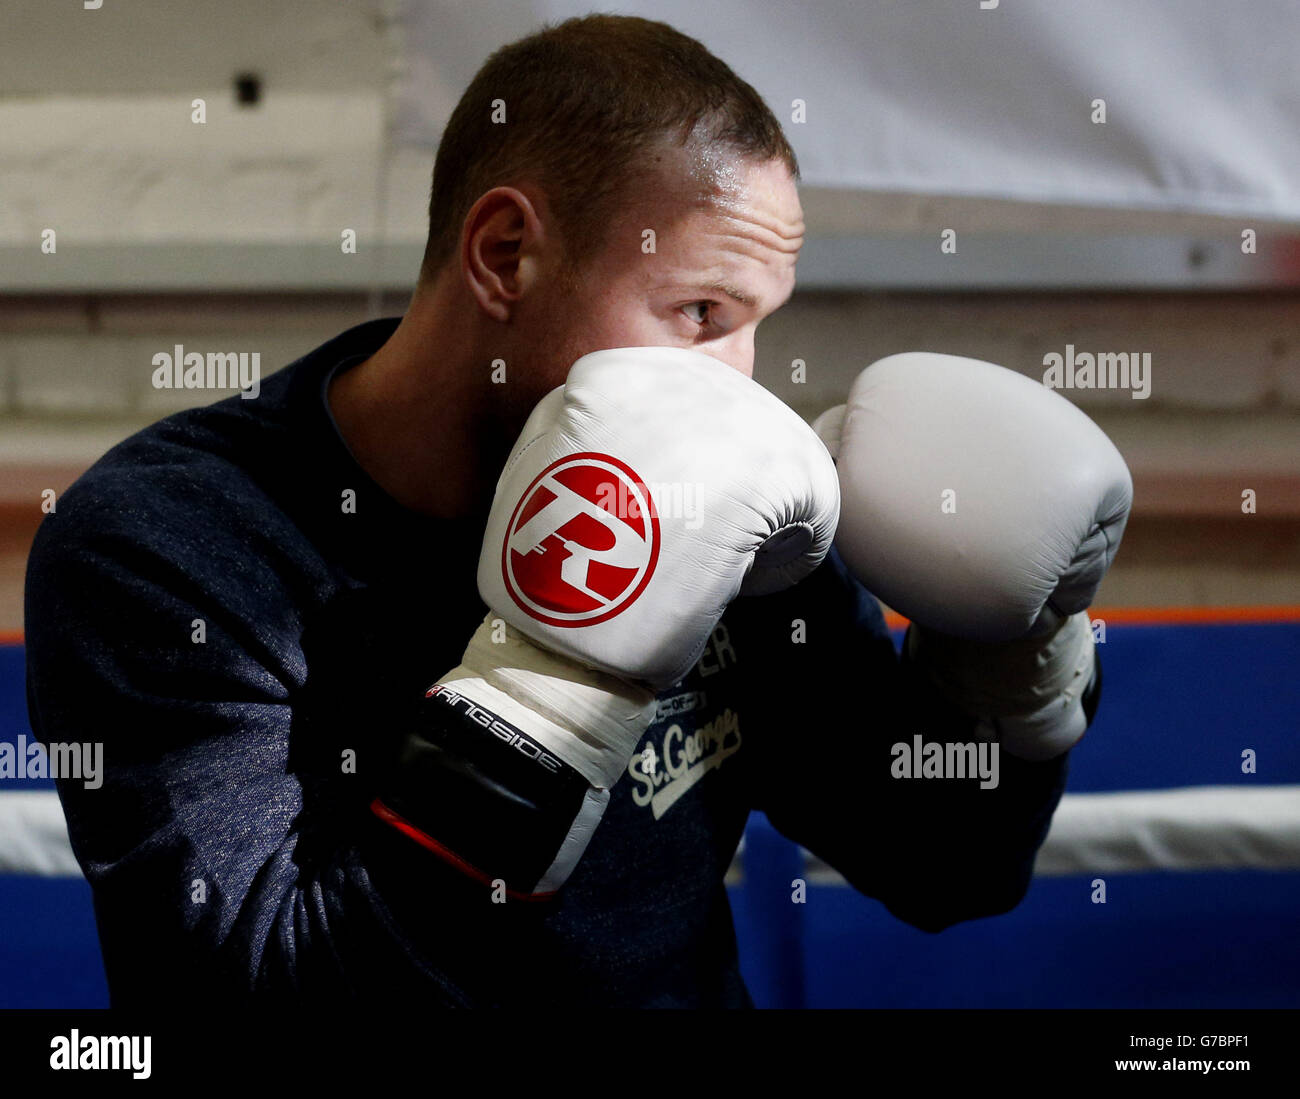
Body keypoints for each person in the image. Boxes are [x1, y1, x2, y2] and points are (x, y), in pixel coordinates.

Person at [24, 14, 1129, 1008]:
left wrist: (1012, 662)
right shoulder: (171, 550)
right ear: (507, 255)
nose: (735, 379)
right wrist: (547, 697)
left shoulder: (730, 499)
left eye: (754, 323)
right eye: (699, 310)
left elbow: (946, 866)